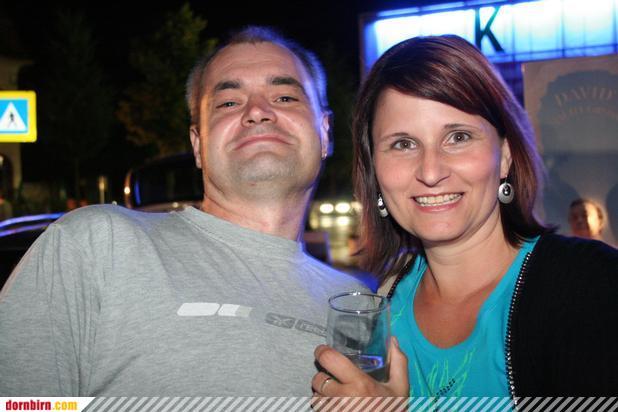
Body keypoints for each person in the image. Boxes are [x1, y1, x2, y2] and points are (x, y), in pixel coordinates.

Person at [0, 26, 368, 396]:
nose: (257, 112)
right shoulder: (97, 245)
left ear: (325, 132)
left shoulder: (358, 306)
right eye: (229, 103)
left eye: (285, 97)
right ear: (197, 143)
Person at [312, 35, 618, 399]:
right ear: (375, 171)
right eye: (403, 144)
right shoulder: (383, 305)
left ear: (505, 156)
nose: (430, 171)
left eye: (458, 137)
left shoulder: (592, 285)